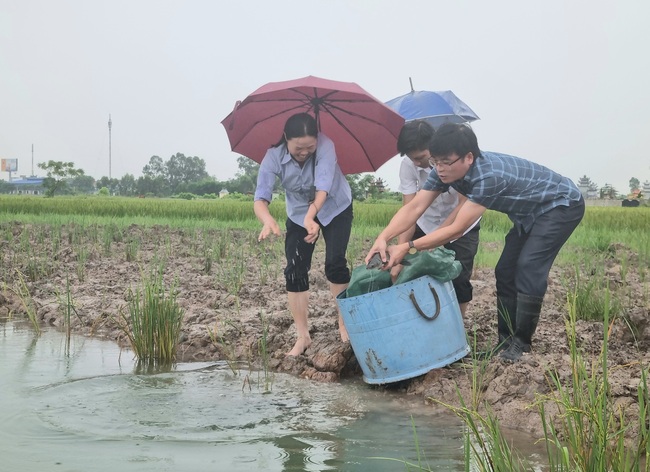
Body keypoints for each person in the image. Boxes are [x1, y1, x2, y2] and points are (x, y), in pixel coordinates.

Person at [365, 123, 585, 362]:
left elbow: (457, 228)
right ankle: (505, 341)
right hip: (528, 214)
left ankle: (521, 345)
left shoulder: (487, 177)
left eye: (445, 162)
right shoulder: (444, 171)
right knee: (505, 270)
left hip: (561, 205)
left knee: (529, 266)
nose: (439, 169)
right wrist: (383, 238)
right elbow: (415, 206)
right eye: (435, 162)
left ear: (468, 157)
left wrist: (407, 247)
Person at [254, 112, 353, 357]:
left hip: (334, 207)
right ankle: (303, 336)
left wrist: (313, 217)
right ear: (286, 138)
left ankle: (344, 325)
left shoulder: (326, 146)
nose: (305, 152)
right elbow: (260, 198)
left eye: (310, 147)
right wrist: (267, 220)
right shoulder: (272, 157)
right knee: (295, 268)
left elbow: (323, 186)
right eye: (299, 147)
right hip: (299, 212)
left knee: (335, 263)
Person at [393, 120, 480, 317]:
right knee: (414, 269)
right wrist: (400, 250)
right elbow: (409, 209)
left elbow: (463, 205)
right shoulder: (408, 165)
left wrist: (440, 238)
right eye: (411, 158)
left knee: (458, 275)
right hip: (426, 222)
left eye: (421, 157)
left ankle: (457, 327)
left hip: (462, 224)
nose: (417, 163)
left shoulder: (454, 162)